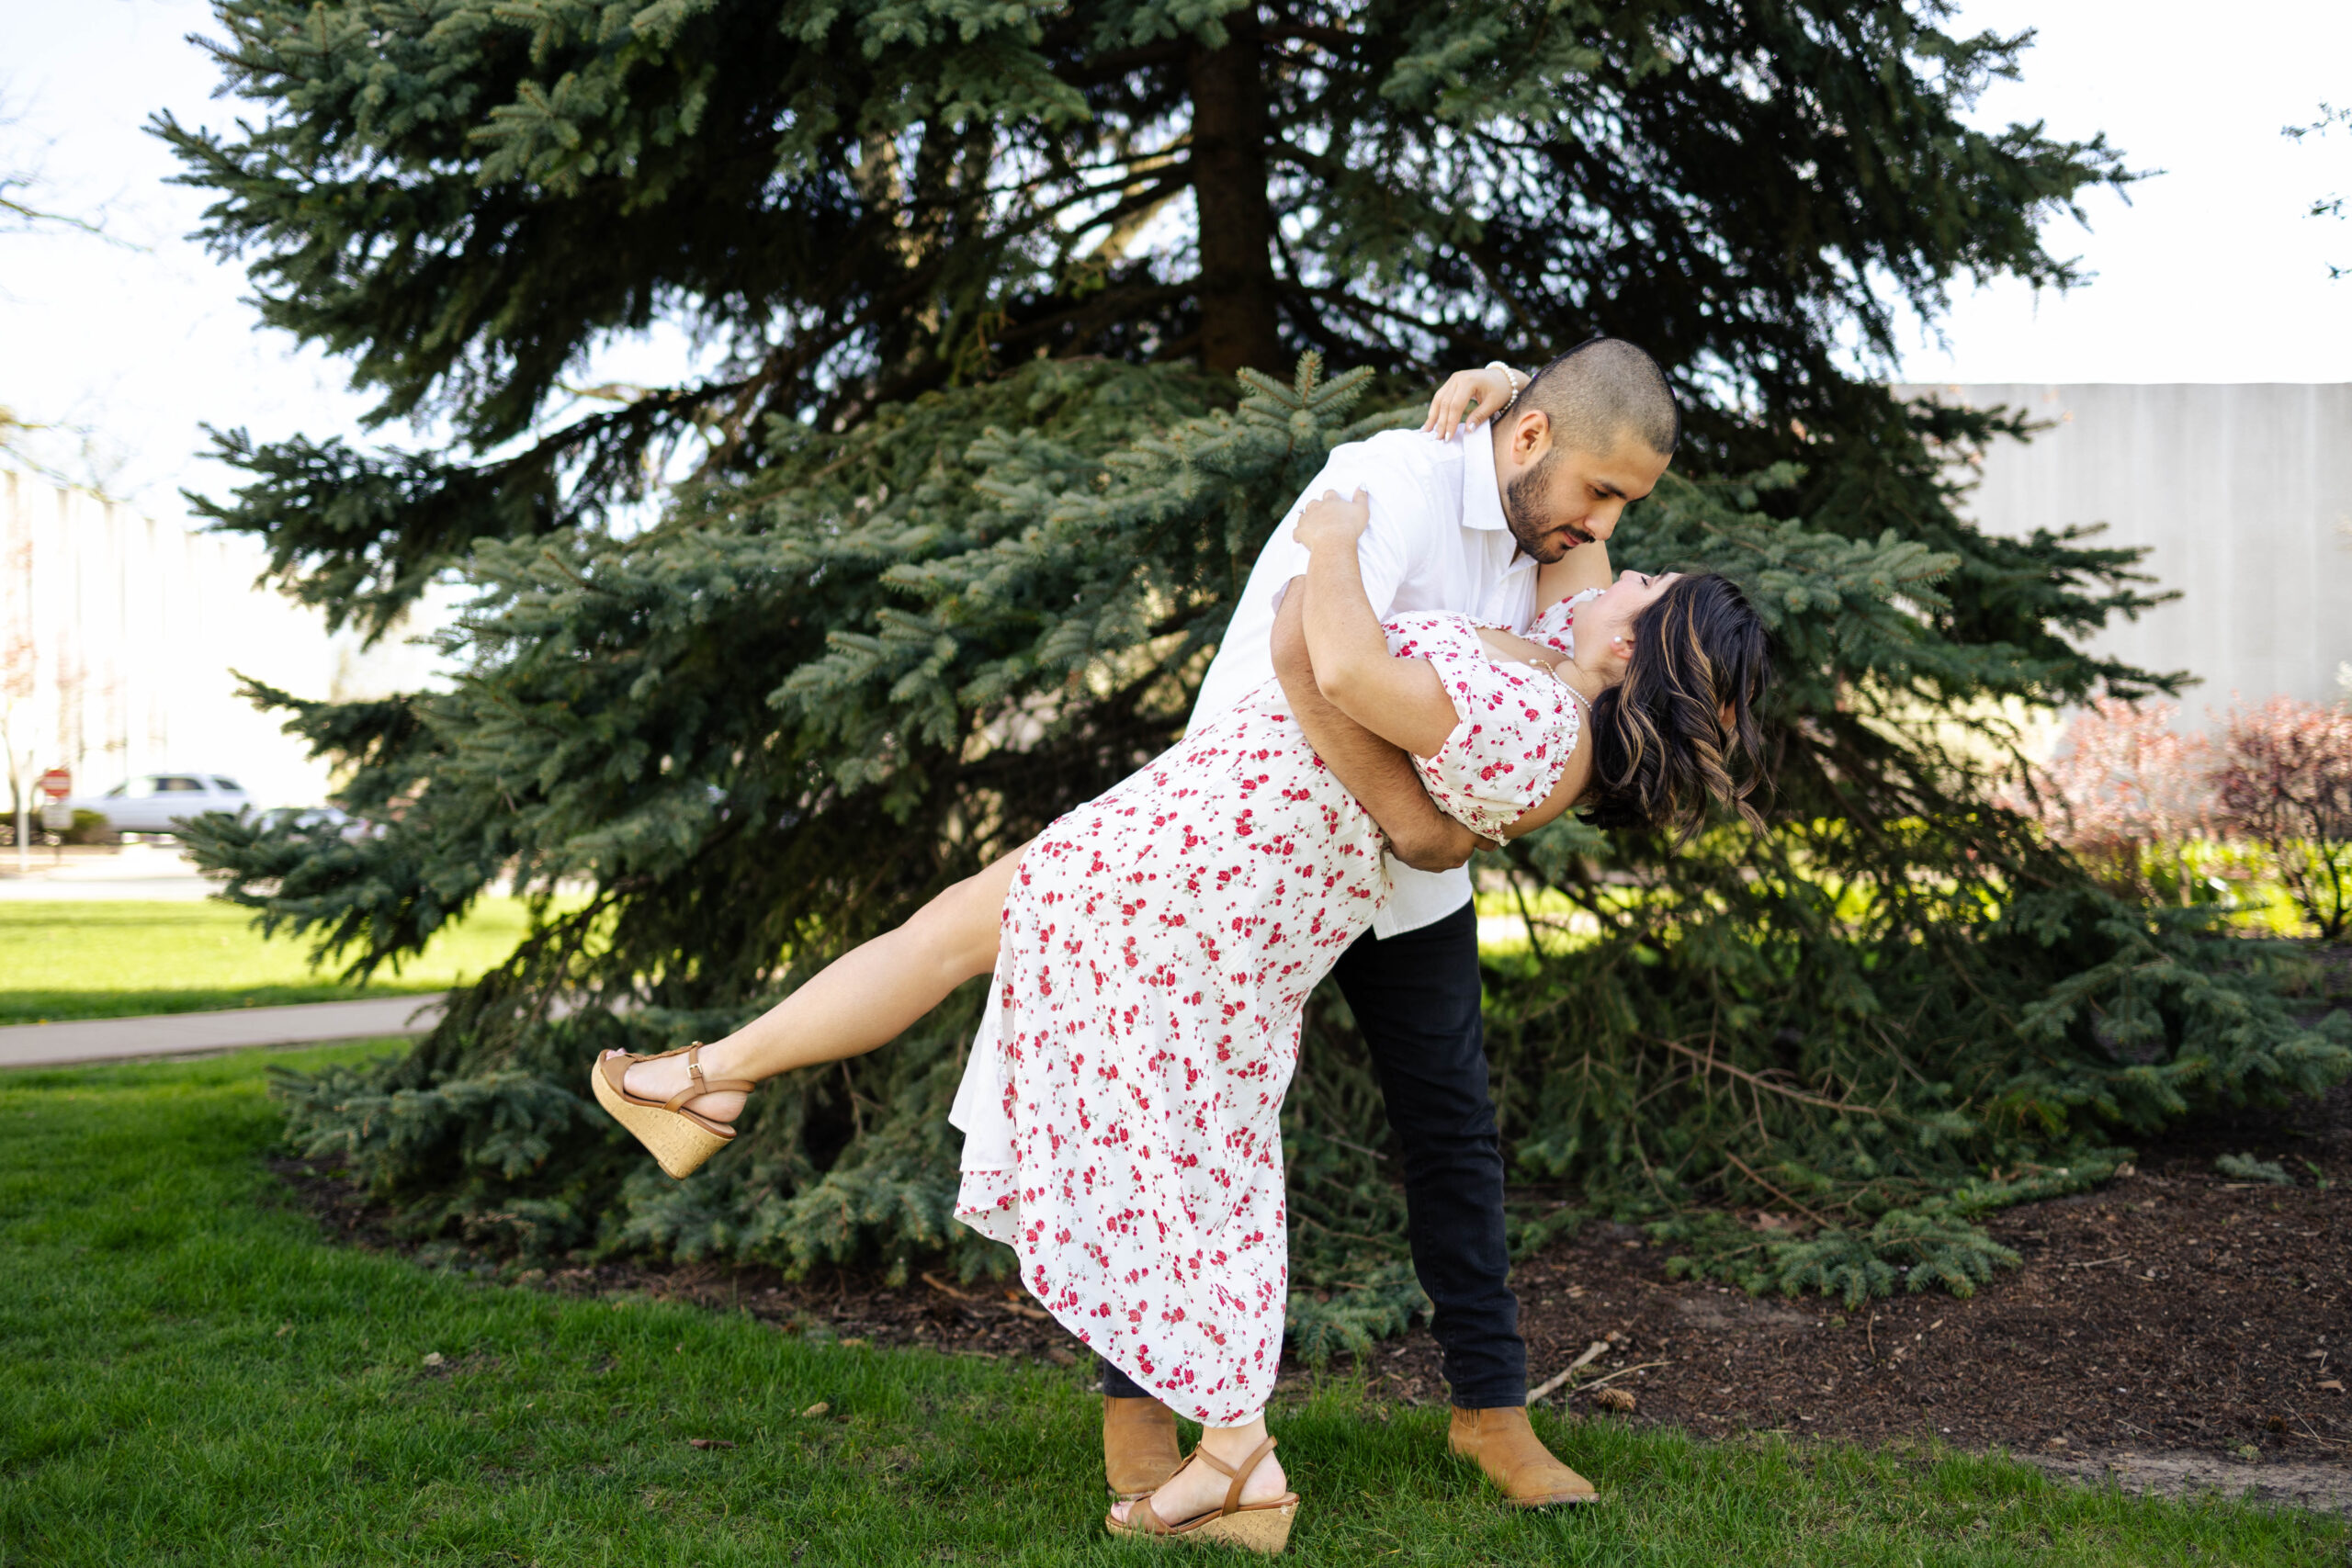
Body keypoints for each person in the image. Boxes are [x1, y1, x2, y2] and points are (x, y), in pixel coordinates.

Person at [593, 477, 1771, 1551]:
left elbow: (1348, 672)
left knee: (1162, 1144)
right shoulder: (1554, 694)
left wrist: (1332, 542)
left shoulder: (1539, 722)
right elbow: (1399, 709)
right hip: (1204, 866)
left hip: (1190, 881)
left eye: (1642, 587)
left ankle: (1237, 1459)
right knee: (1159, 1129)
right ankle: (709, 1079)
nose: (1616, 565)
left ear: (1640, 646)